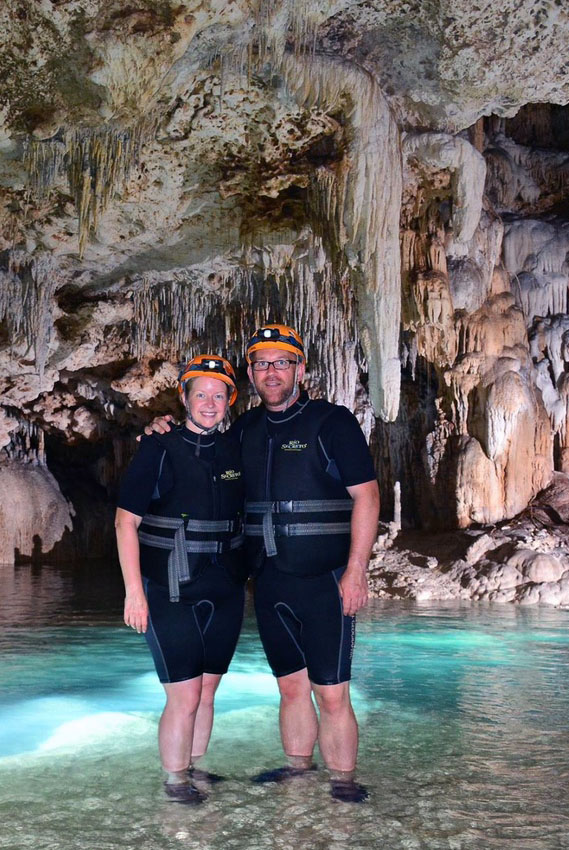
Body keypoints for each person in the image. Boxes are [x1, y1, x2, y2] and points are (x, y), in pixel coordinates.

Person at [146, 324, 379, 803]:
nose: (272, 372)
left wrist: (357, 569)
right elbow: (199, 443)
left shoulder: (332, 423)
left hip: (326, 578)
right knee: (291, 689)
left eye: (282, 362)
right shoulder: (245, 430)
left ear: (300, 368)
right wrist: (159, 428)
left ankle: (343, 783)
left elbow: (368, 496)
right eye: (262, 364)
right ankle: (299, 772)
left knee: (331, 693)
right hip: (269, 583)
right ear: (251, 373)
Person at [115, 355, 247, 805]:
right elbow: (124, 522)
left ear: (229, 400)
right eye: (200, 394)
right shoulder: (159, 445)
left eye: (217, 394)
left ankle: (196, 769)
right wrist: (134, 593)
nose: (208, 403)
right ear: (184, 397)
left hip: (224, 587)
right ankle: (174, 782)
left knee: (208, 690)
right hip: (170, 586)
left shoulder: (236, 448)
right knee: (184, 694)